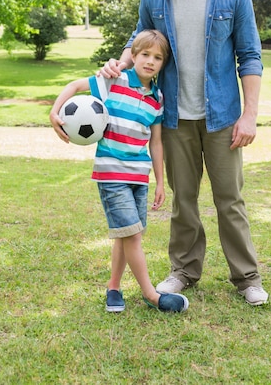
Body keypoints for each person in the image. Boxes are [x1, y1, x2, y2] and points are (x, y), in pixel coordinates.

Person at [101, 0, 268, 306]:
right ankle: (184, 271)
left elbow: (250, 55)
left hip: (223, 116)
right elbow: (138, 40)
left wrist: (249, 114)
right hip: (173, 116)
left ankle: (247, 278)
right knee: (184, 200)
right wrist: (119, 64)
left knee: (230, 200)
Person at [49, 29, 189, 314]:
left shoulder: (157, 98)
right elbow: (75, 86)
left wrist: (160, 182)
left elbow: (157, 141)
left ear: (163, 64)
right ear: (133, 56)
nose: (150, 61)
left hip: (139, 175)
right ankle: (151, 294)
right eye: (145, 54)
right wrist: (55, 111)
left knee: (127, 234)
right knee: (132, 235)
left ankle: (114, 288)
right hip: (111, 172)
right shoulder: (114, 80)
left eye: (158, 57)